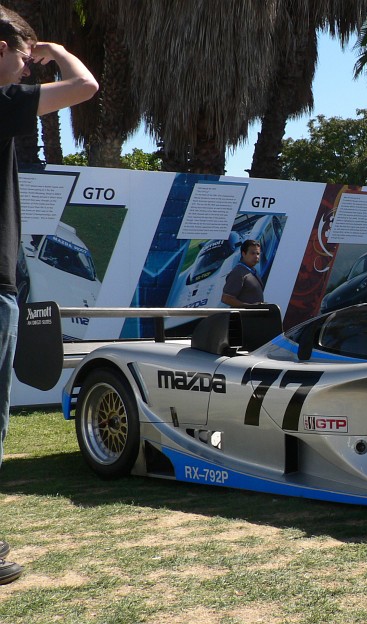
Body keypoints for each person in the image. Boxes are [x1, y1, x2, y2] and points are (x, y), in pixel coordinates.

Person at [0, 5, 98, 585]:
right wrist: (57, 52)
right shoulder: (3, 102)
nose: (28, 65)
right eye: (22, 54)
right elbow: (85, 87)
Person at [221, 239, 265, 307]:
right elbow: (226, 298)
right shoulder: (238, 272)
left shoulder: (252, 270)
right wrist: (248, 307)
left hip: (256, 313)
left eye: (258, 253)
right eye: (252, 253)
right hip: (245, 314)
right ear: (243, 254)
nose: (256, 256)